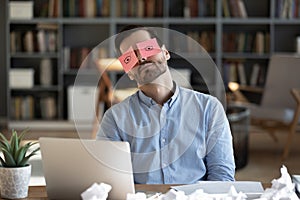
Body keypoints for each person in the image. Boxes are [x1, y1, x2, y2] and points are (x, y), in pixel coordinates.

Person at [96, 25, 235, 184]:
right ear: (128, 71)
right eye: (130, 57)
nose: (141, 58)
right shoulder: (114, 118)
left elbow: (222, 176)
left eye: (147, 48)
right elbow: (107, 178)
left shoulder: (209, 108)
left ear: (165, 52)